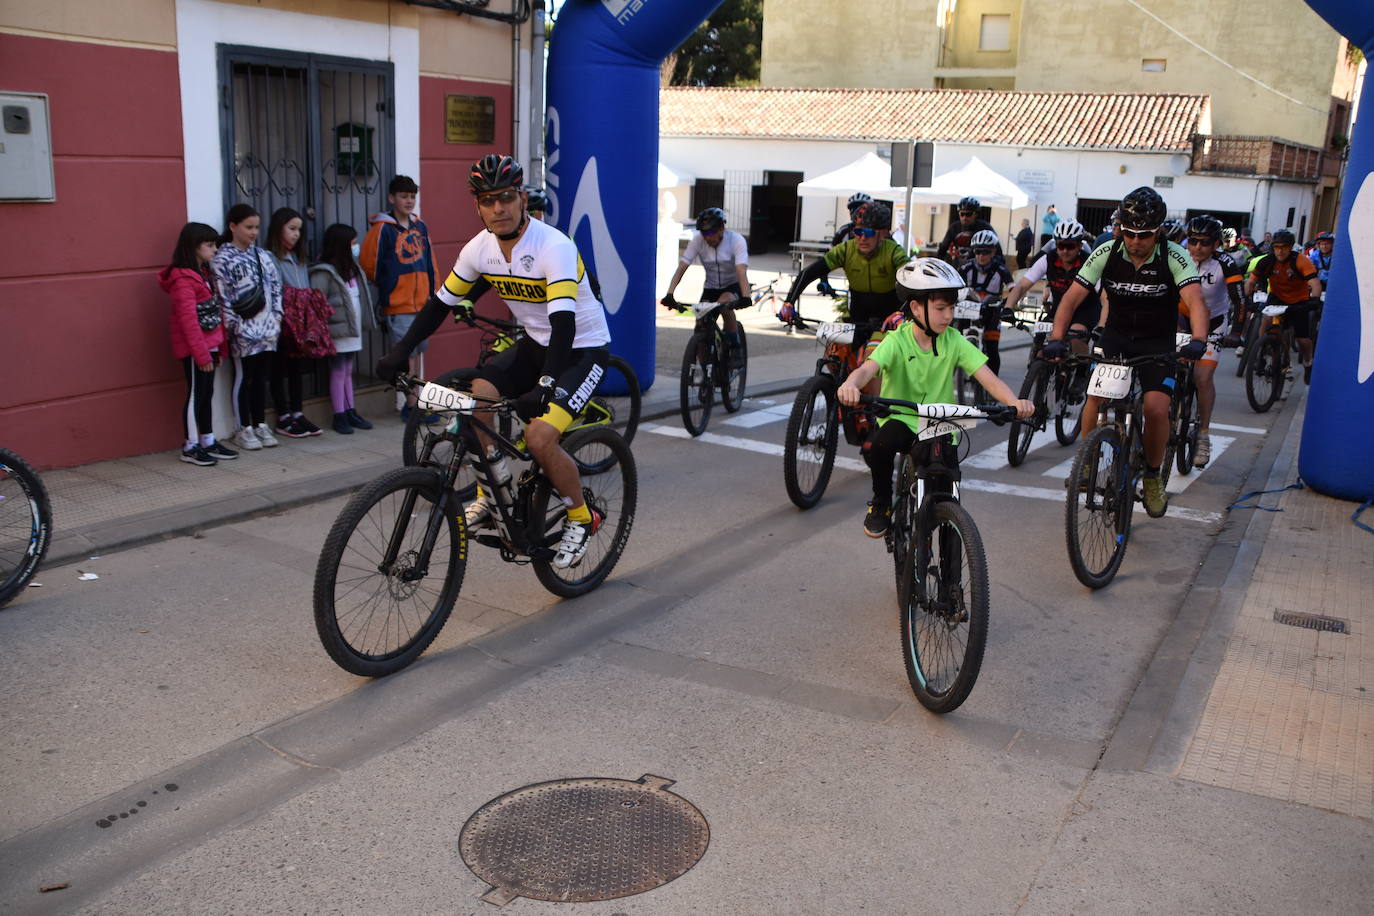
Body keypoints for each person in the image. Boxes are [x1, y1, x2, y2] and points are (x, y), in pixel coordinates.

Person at [375, 154, 612, 570]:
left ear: (522, 199)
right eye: (488, 200)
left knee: (539, 438)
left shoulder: (552, 246)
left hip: (581, 348)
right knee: (477, 399)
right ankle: (491, 492)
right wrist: (400, 353)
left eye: (505, 198)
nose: (498, 208)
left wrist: (546, 385)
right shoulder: (478, 249)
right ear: (478, 206)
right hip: (538, 343)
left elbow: (563, 325)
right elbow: (439, 305)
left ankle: (580, 515)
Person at [1043, 186, 1209, 519]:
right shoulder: (1106, 251)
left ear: (1158, 230)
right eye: (1130, 233)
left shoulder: (1173, 254)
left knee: (1157, 408)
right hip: (1117, 337)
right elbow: (1072, 298)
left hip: (1156, 341)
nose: (1135, 241)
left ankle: (1151, 476)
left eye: (1144, 235)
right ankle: (1087, 463)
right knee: (1096, 397)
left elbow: (1195, 301)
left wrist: (1199, 339)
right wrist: (1056, 338)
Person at [836, 258, 1033, 536]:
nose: (949, 316)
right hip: (902, 418)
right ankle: (881, 503)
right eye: (941, 309)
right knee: (879, 446)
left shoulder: (954, 340)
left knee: (948, 493)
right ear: (916, 308)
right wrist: (850, 384)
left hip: (941, 424)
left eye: (951, 308)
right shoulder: (897, 340)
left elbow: (987, 377)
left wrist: (1014, 402)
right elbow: (868, 369)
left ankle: (951, 557)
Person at [780, 202, 909, 357]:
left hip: (886, 320)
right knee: (832, 355)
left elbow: (912, 281)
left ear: (883, 234)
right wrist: (789, 302)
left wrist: (903, 312)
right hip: (856, 317)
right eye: (858, 232)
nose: (862, 238)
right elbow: (809, 273)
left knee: (871, 358)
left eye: (868, 232)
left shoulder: (893, 251)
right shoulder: (846, 249)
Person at [159, 222, 239, 466]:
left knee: (207, 394)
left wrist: (217, 349)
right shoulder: (183, 279)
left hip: (209, 347)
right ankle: (191, 445)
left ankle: (208, 439)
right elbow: (189, 321)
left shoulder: (203, 274)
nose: (215, 249)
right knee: (196, 395)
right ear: (194, 247)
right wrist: (202, 355)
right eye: (210, 245)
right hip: (196, 350)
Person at [361, 175, 436, 419]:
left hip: (422, 301)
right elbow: (369, 263)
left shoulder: (420, 225)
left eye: (412, 196)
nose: (409, 201)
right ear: (392, 198)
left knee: (418, 353)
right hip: (399, 303)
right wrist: (390, 286)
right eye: (404, 196)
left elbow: (429, 261)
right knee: (407, 356)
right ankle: (412, 405)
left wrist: (432, 292)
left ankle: (416, 402)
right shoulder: (382, 229)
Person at [212, 203, 284, 451]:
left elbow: (275, 287)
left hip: (268, 329)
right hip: (243, 331)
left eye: (256, 227)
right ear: (233, 226)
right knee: (246, 377)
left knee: (261, 378)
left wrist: (276, 317)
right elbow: (223, 296)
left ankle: (260, 423)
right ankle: (243, 428)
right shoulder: (222, 259)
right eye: (248, 227)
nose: (254, 232)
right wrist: (235, 325)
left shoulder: (263, 256)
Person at [1180, 215, 1244, 467]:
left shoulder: (1225, 263)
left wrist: (1237, 332)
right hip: (1180, 322)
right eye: (1193, 241)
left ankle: (1204, 434)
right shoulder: (1179, 258)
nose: (1198, 247)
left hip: (1213, 326)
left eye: (1205, 242)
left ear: (1216, 244)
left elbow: (1239, 301)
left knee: (1202, 378)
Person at [310, 223, 375, 435]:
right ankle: (339, 415)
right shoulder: (325, 272)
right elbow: (318, 303)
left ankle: (350, 410)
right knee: (338, 371)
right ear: (342, 245)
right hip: (337, 331)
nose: (356, 247)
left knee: (348, 370)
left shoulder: (353, 269)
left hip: (351, 330)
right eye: (353, 243)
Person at [1003, 219, 1102, 357]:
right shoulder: (1047, 260)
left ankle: (1081, 374)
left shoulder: (1089, 262)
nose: (1065, 251)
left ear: (1080, 245)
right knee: (1041, 339)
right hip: (1059, 309)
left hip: (1085, 310)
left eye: (1070, 246)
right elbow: (1022, 286)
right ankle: (1036, 373)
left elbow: (1103, 295)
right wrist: (1008, 307)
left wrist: (1102, 324)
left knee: (1076, 336)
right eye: (1061, 246)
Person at [661, 207, 748, 361]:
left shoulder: (736, 240)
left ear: (722, 228)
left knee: (725, 304)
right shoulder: (698, 241)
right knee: (701, 321)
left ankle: (735, 347)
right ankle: (703, 366)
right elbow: (682, 266)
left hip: (732, 285)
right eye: (704, 232)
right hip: (710, 287)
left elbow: (741, 270)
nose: (707, 237)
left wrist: (746, 296)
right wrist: (669, 294)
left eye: (711, 232)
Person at [264, 208, 322, 438]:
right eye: (292, 229)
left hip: (301, 323)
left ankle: (297, 412)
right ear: (279, 229)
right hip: (282, 322)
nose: (296, 234)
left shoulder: (299, 259)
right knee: (279, 368)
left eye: (299, 229)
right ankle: (283, 415)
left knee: (296, 368)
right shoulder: (270, 257)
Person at [1245, 227, 1322, 383]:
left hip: (1299, 301)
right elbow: (1251, 281)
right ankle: (1262, 351)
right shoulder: (1267, 261)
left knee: (1302, 339)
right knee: (1265, 320)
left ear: (1291, 247)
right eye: (1277, 248)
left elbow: (1314, 283)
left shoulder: (1300, 260)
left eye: (1284, 248)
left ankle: (1308, 362)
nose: (1280, 252)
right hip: (1277, 297)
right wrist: (1247, 297)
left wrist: (1314, 298)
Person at [956, 229, 1014, 375]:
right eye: (977, 252)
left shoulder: (1001, 270)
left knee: (992, 347)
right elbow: (953, 287)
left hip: (991, 312)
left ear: (993, 252)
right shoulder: (965, 268)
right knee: (953, 341)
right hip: (967, 312)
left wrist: (1008, 305)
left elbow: (1013, 289)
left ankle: (991, 390)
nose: (981, 256)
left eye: (986, 252)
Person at [938, 196, 997, 263]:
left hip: (978, 267)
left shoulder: (985, 227)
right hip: (958, 266)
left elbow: (997, 250)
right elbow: (943, 248)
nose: (964, 217)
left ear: (975, 214)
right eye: (962, 214)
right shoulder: (954, 227)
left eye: (968, 214)